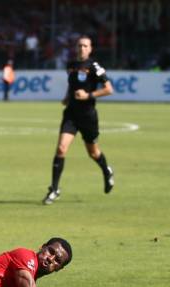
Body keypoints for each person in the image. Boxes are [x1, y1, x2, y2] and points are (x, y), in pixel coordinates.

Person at [44, 35, 115, 205]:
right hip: (71, 114)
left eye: (85, 46)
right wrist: (67, 97)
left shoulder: (95, 67)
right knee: (61, 149)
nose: (82, 48)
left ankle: (107, 171)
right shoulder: (71, 66)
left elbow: (109, 89)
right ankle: (54, 190)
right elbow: (72, 85)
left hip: (88, 116)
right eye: (79, 46)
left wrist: (88, 95)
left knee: (93, 153)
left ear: (90, 49)